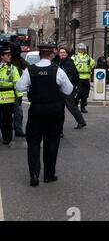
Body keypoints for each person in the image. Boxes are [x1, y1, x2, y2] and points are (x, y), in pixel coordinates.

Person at [16, 43, 73, 187]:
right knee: (52, 142)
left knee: (34, 141)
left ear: (39, 54)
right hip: (54, 111)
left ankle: (34, 174)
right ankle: (48, 174)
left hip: (36, 110)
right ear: (52, 54)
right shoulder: (57, 71)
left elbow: (19, 87)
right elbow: (68, 90)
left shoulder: (30, 70)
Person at [58, 47, 86, 130]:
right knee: (66, 105)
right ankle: (80, 121)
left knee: (70, 105)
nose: (62, 54)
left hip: (69, 87)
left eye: (64, 52)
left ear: (67, 54)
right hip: (64, 87)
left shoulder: (68, 62)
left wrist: (67, 82)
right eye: (61, 52)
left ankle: (81, 121)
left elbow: (73, 75)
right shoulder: (61, 62)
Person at [0, 45, 21, 145]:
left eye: (10, 55)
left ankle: (7, 138)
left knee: (7, 119)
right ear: (2, 56)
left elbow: (17, 83)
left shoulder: (13, 69)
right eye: (7, 55)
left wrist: (20, 95)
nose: (9, 56)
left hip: (8, 98)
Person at [10, 41, 28, 137]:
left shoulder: (19, 60)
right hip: (5, 91)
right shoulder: (5, 60)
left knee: (18, 112)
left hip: (16, 90)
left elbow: (29, 67)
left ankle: (18, 129)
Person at [73, 43, 95, 113]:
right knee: (79, 92)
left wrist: (91, 62)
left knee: (85, 93)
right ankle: (75, 103)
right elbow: (72, 66)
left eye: (83, 49)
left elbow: (92, 64)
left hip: (86, 78)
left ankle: (83, 107)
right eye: (80, 49)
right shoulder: (74, 57)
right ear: (78, 49)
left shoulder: (88, 57)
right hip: (79, 77)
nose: (81, 50)